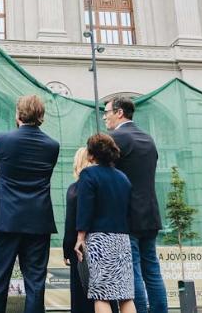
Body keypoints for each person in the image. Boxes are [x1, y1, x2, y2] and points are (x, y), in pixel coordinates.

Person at [0, 95, 59, 313]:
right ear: (42, 116)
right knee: (35, 284)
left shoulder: (2, 139)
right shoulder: (52, 146)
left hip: (6, 219)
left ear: (17, 114)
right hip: (38, 221)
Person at [103, 97, 167, 313]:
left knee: (132, 272)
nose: (105, 116)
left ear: (119, 113)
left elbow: (106, 177)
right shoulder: (149, 139)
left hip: (126, 216)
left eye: (107, 112)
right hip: (150, 214)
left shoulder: (115, 138)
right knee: (152, 270)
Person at [74, 134, 135, 313]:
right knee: (125, 294)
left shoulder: (88, 174)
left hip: (100, 240)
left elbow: (85, 208)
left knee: (101, 295)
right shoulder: (123, 178)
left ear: (92, 155)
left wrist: (80, 237)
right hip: (122, 239)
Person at [63, 148, 94, 313]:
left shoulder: (74, 190)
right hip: (103, 245)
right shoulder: (102, 186)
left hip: (80, 248)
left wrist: (67, 250)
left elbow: (70, 224)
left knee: (80, 293)